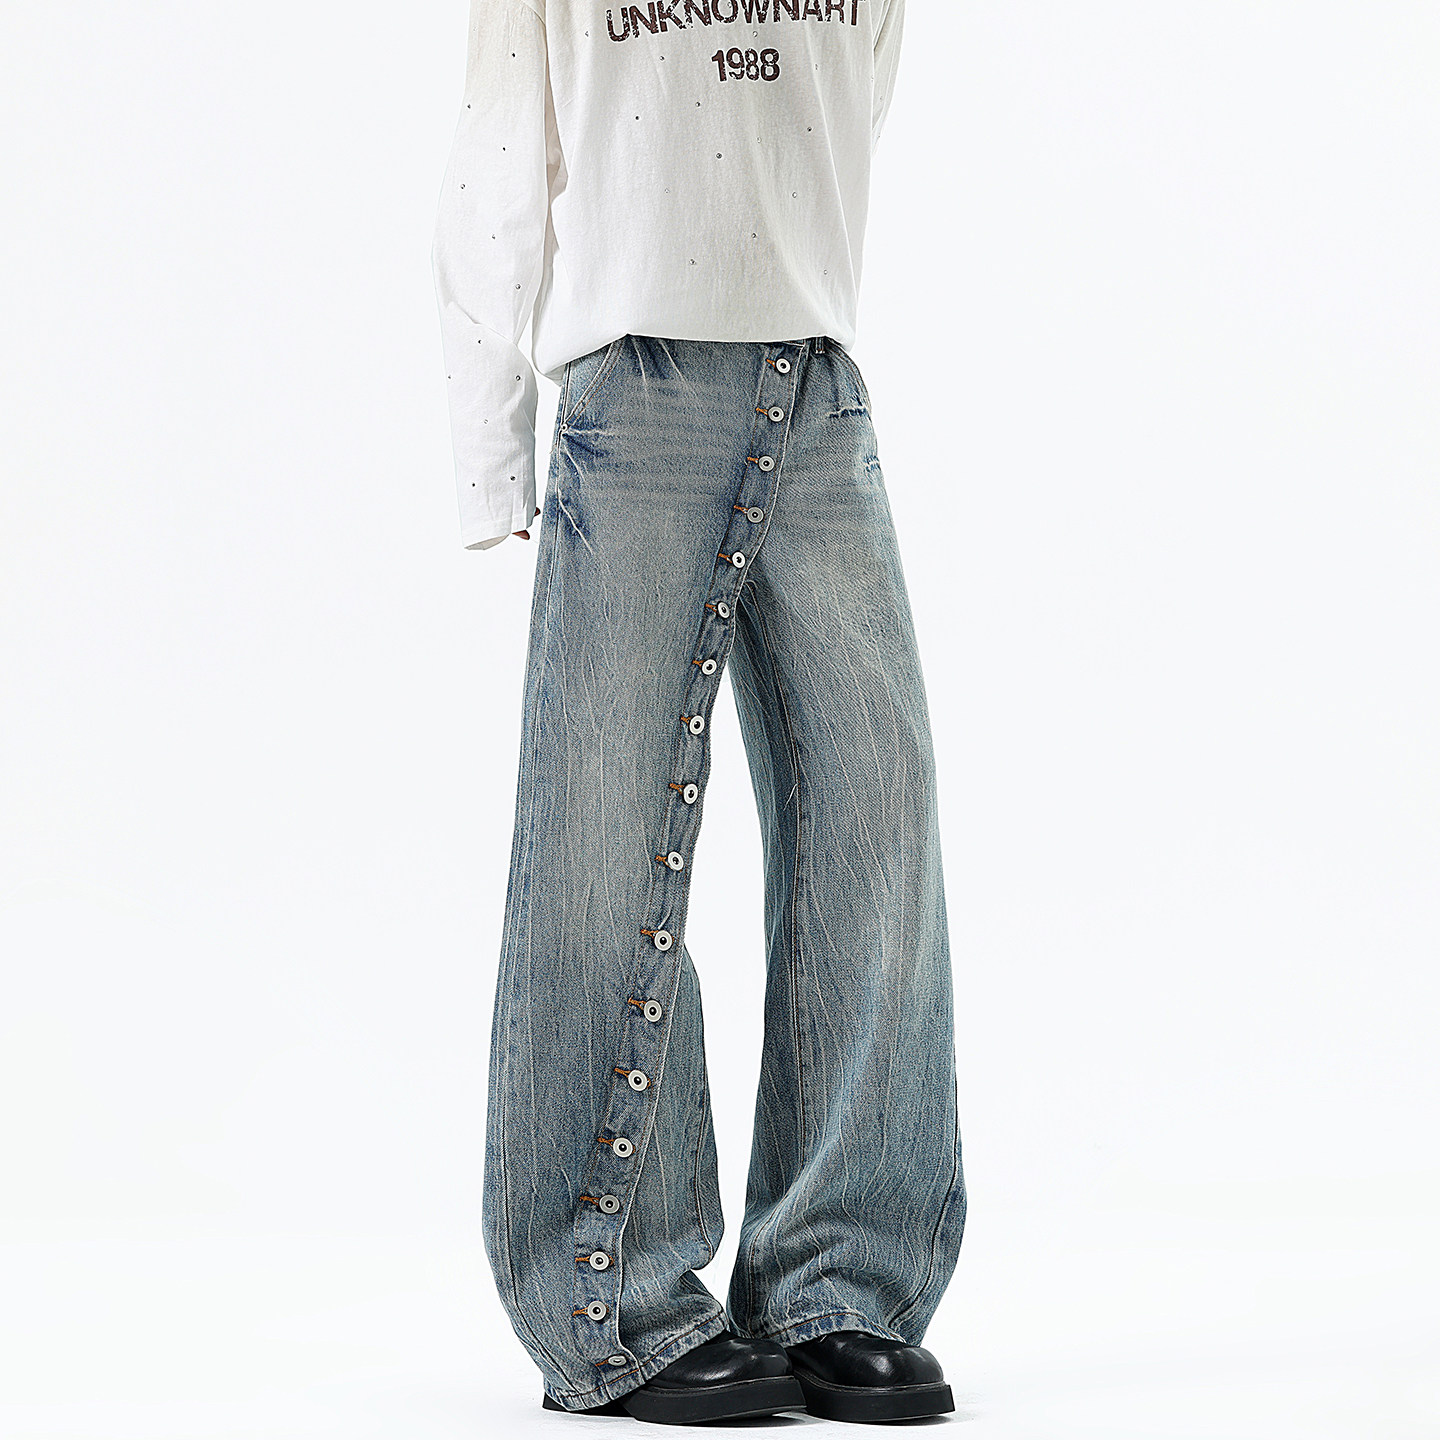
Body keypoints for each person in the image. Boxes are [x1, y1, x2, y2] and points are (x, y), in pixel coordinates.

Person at [429, 0, 965, 1423]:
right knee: (603, 850)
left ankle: (837, 1282)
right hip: (637, 383)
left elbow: (852, 100)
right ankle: (609, 1300)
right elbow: (499, 147)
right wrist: (491, 447)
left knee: (875, 831)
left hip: (820, 384)